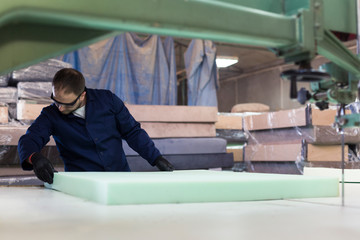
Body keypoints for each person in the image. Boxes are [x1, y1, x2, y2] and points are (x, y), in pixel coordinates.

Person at [18, 68, 174, 184]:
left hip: (119, 178)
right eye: (56, 101)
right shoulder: (51, 115)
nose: (60, 108)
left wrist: (155, 157)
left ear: (82, 95)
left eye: (67, 104)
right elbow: (30, 138)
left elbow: (132, 132)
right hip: (83, 184)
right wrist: (34, 157)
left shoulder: (108, 101)